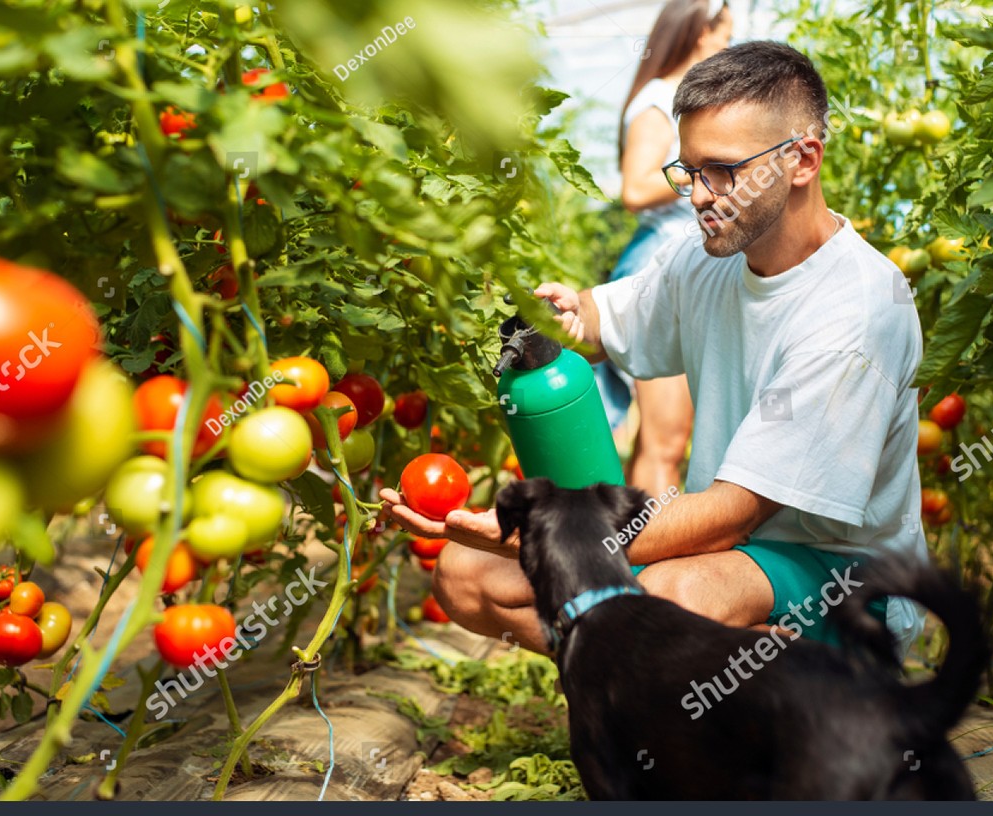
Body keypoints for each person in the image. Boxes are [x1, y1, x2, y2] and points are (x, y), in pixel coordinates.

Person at [381, 41, 927, 660]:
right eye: (689, 171)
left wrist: (542, 536)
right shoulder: (704, 260)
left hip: (848, 580)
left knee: (663, 601)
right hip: (731, 556)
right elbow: (599, 321)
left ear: (802, 159)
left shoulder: (855, 311)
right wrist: (529, 309)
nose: (698, 196)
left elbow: (731, 514)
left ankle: (796, 679)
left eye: (723, 170)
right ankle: (692, 672)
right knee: (465, 574)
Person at [597, 0, 733, 498]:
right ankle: (653, 569)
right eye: (723, 36)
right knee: (665, 441)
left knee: (664, 439)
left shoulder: (682, 99)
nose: (726, 47)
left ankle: (632, 558)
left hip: (684, 262)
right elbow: (634, 188)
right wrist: (715, 171)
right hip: (660, 262)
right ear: (700, 34)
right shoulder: (660, 98)